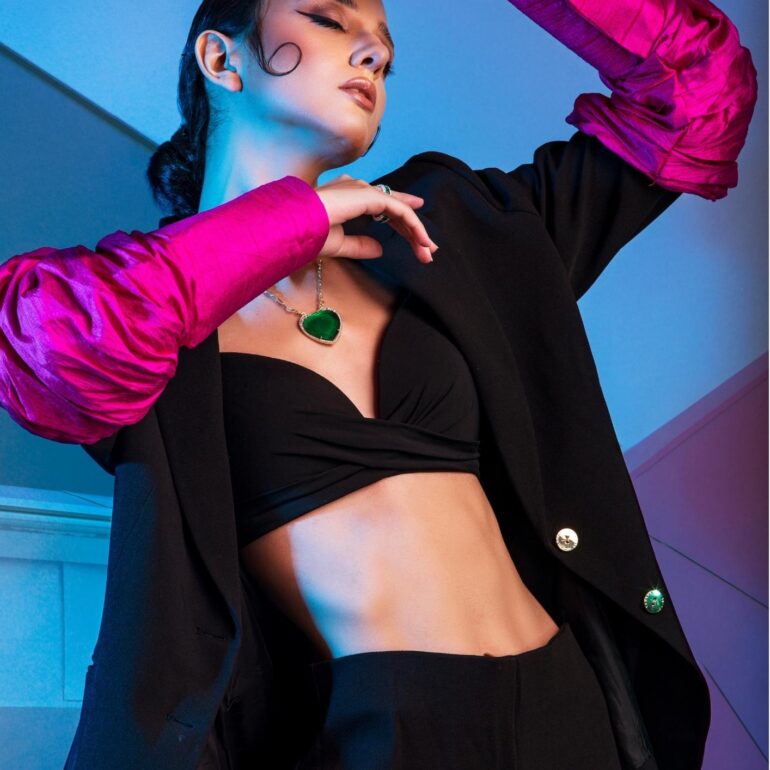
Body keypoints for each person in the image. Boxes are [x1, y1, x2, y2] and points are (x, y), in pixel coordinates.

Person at [0, 0, 757, 768]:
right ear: (222, 61)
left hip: (568, 704)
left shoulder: (449, 228)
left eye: (385, 53)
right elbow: (39, 348)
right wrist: (290, 223)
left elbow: (698, 96)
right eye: (329, 19)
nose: (371, 54)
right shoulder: (143, 315)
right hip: (388, 732)